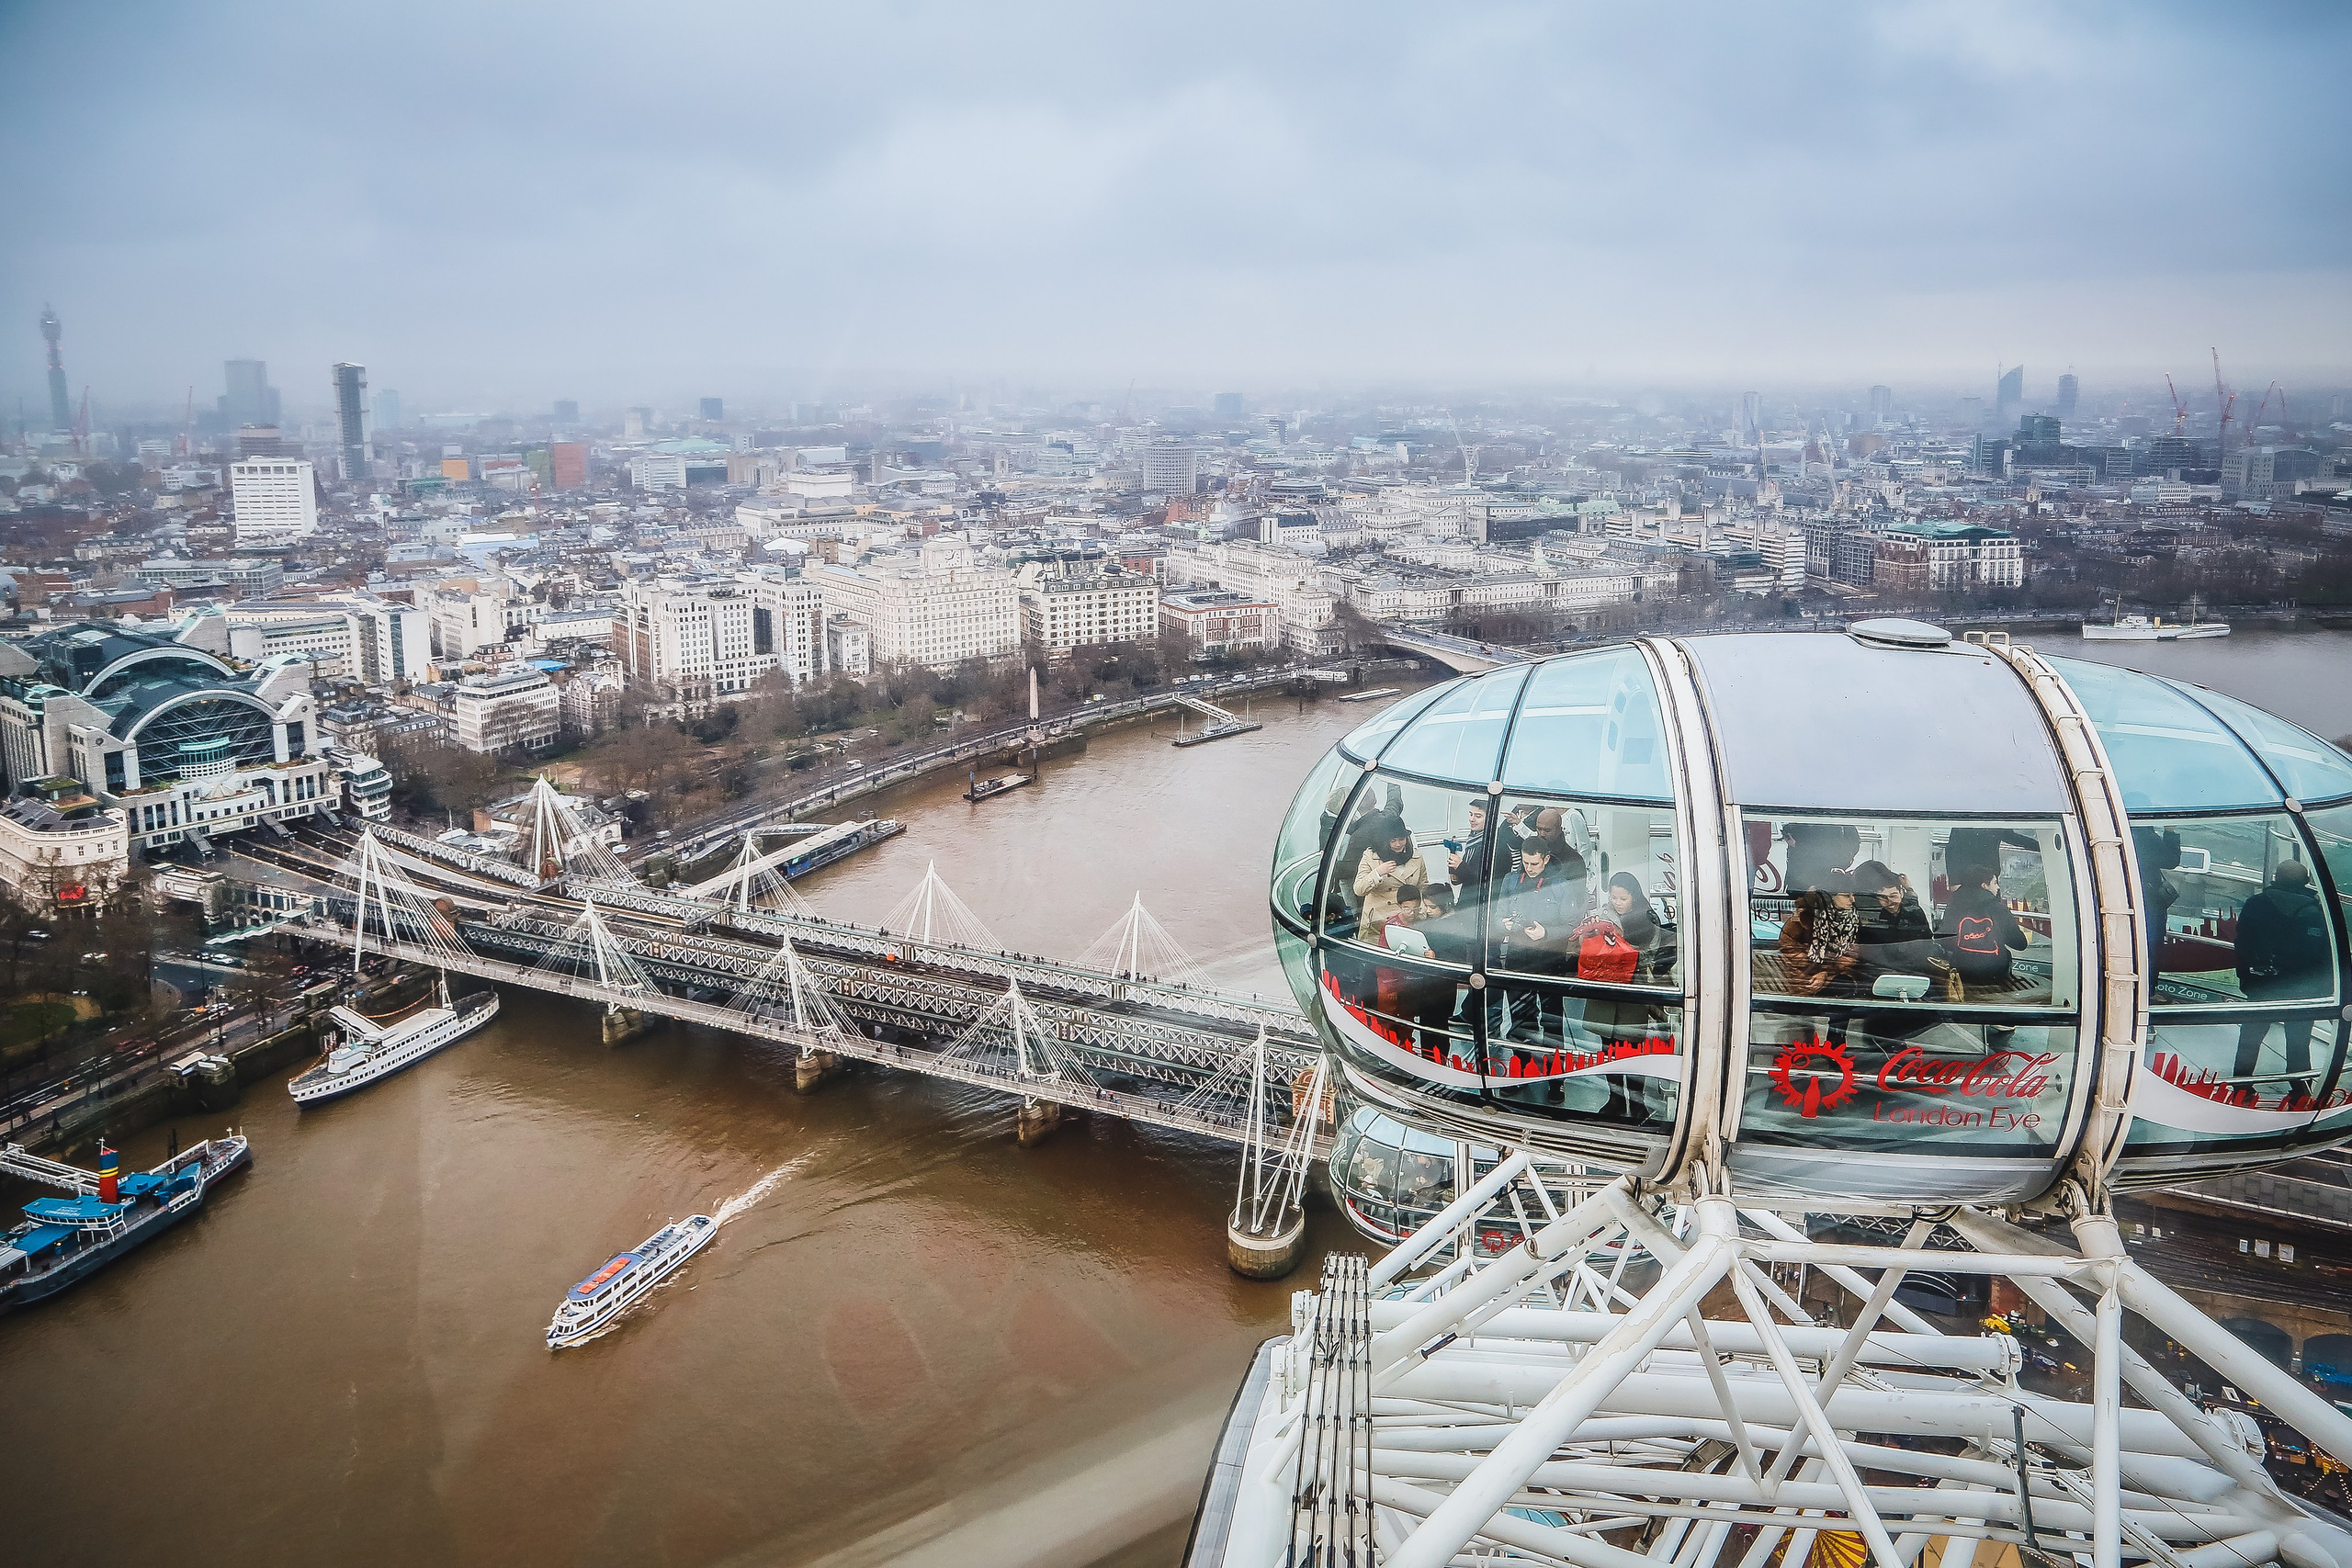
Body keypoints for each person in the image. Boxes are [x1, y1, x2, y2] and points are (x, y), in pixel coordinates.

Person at [2232, 861, 2332, 1083]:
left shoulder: (2256, 904)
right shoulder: (2314, 911)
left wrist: (2246, 978)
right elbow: (2323, 954)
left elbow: (2243, 945)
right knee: (2299, 1041)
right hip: (2302, 989)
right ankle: (2299, 1089)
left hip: (2263, 984)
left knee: (2250, 1038)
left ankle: (2241, 1085)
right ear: (2306, 882)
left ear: (2275, 878)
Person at [1490, 834, 1583, 1048]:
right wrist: (1503, 925)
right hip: (1516, 958)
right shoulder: (1511, 880)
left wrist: (1547, 933)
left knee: (1552, 1020)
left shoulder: (1561, 885)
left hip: (1549, 960)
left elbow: (1572, 927)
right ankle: (1522, 1067)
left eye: (1534, 863)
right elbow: (1497, 916)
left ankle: (1554, 1071)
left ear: (1546, 859)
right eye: (1525, 863)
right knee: (1520, 1020)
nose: (1529, 868)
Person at [1939, 857, 2029, 998]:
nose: (1997, 887)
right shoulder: (1998, 909)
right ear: (1984, 886)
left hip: (1962, 972)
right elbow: (2020, 944)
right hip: (1994, 974)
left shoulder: (1953, 907)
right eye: (1995, 883)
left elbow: (1945, 940)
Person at [1352, 815, 1427, 929]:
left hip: (1408, 921)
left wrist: (1421, 913)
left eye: (1402, 839)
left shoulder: (1416, 857)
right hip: (1378, 922)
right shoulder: (1371, 856)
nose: (1398, 844)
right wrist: (1378, 872)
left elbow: (1423, 887)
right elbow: (1358, 889)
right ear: (1385, 840)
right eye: (1393, 841)